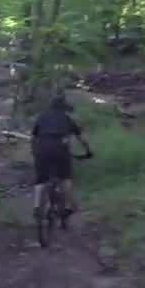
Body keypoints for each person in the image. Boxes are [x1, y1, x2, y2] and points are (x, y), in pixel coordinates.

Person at [30, 93, 91, 221]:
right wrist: (88, 151)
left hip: (42, 150)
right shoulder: (67, 119)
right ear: (63, 107)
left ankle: (36, 207)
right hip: (60, 150)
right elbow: (82, 139)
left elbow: (33, 137)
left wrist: (35, 152)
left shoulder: (41, 117)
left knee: (40, 180)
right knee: (65, 178)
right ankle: (68, 207)